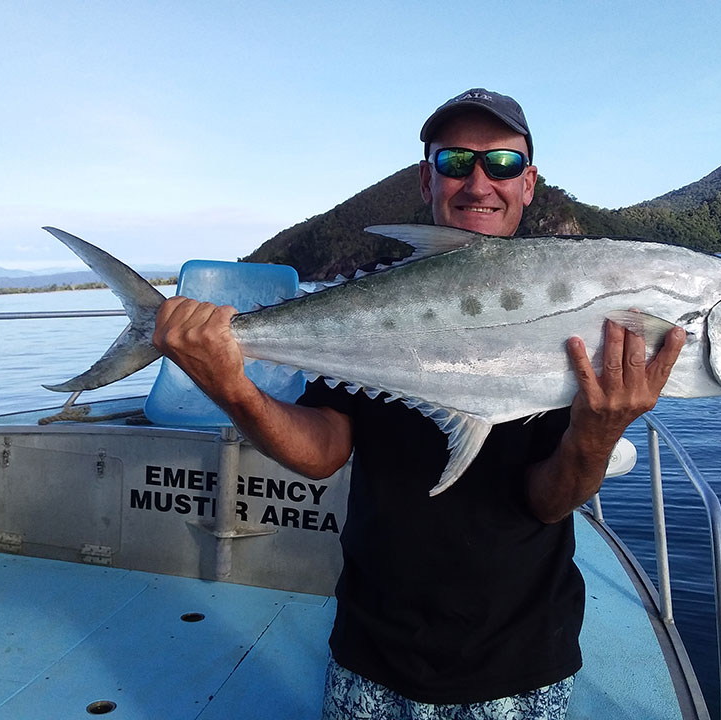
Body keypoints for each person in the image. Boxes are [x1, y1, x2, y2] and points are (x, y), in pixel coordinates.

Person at [153, 88, 685, 720]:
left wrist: (599, 431)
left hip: (519, 659)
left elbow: (547, 500)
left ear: (530, 183)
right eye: (457, 162)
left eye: (504, 165)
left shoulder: (580, 304)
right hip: (372, 649)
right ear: (427, 178)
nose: (479, 182)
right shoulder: (370, 296)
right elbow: (324, 451)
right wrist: (231, 386)